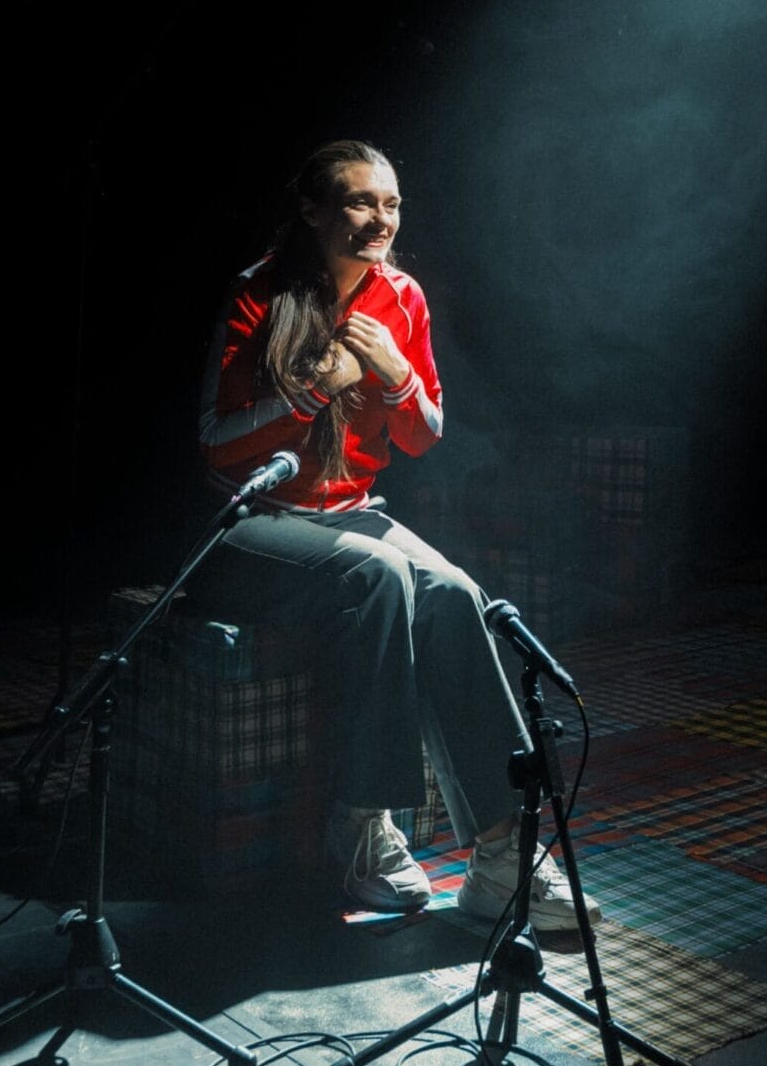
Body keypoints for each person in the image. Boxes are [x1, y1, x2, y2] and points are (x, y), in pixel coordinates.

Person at [189, 138, 598, 932]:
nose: (381, 218)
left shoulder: (401, 297)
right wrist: (315, 391)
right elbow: (214, 442)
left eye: (392, 203)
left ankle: (500, 854)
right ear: (311, 211)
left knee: (458, 590)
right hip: (254, 518)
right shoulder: (258, 294)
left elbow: (424, 433)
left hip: (351, 511)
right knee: (379, 574)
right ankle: (359, 830)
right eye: (358, 201)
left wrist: (396, 376)